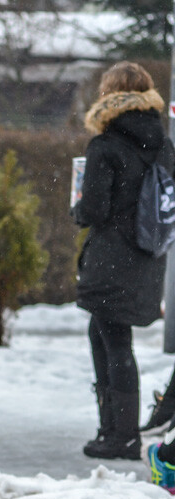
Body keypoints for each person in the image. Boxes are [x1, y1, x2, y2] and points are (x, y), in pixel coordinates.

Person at [72, 61, 172, 460]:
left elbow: (94, 209)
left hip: (112, 254)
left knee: (110, 340)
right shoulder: (163, 143)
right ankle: (115, 430)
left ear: (107, 96)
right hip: (148, 254)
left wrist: (77, 210)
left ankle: (121, 435)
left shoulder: (106, 144)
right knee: (110, 336)